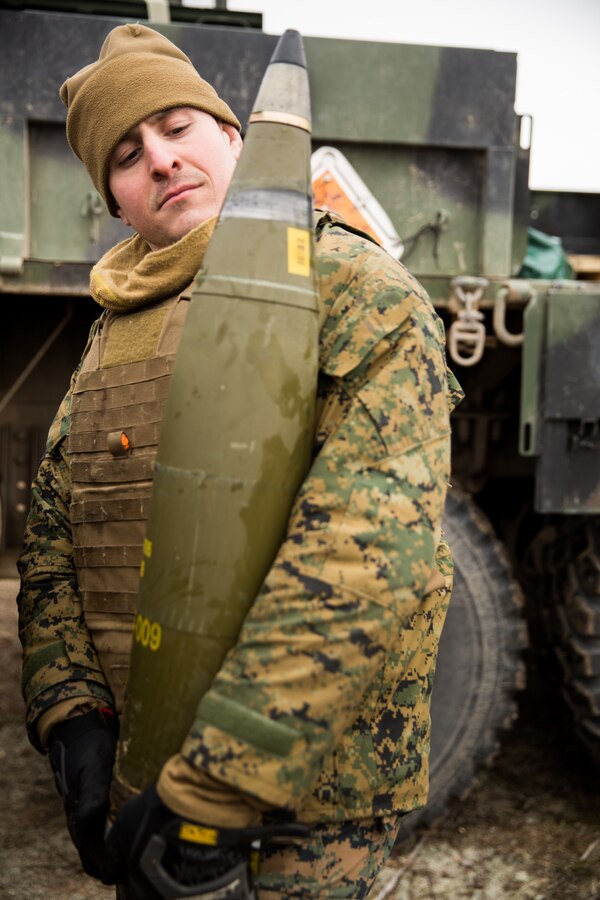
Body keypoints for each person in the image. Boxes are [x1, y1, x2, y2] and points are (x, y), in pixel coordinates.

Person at [17, 22, 463, 899]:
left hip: (297, 805)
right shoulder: (117, 324)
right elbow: (54, 536)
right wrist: (69, 712)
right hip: (142, 774)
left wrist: (217, 782)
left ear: (235, 137)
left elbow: (363, 550)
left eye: (178, 129)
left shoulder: (351, 287)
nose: (160, 161)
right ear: (114, 199)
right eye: (127, 154)